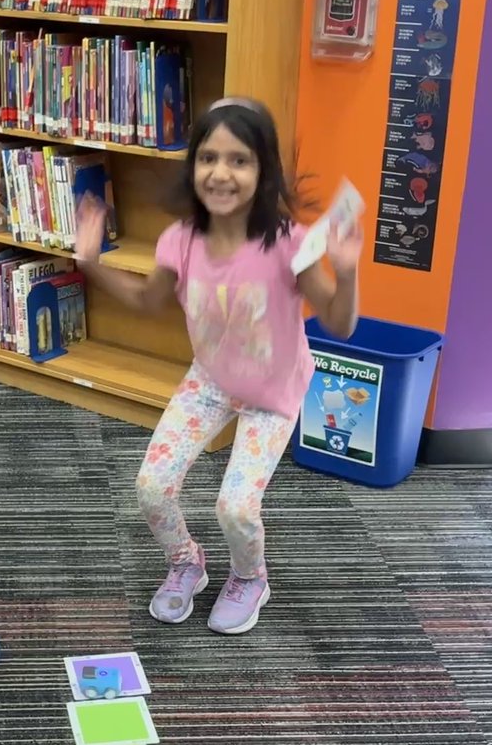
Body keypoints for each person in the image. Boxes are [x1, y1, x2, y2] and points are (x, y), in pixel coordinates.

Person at [74, 96, 363, 635]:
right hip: (209, 381)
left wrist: (345, 273)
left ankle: (251, 576)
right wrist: (89, 263)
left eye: (239, 160)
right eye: (208, 157)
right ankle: (187, 562)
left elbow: (341, 326)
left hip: (272, 395)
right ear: (193, 167)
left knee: (235, 506)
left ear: (264, 170)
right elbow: (145, 301)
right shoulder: (179, 240)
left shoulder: (290, 245)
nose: (221, 173)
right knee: (151, 486)